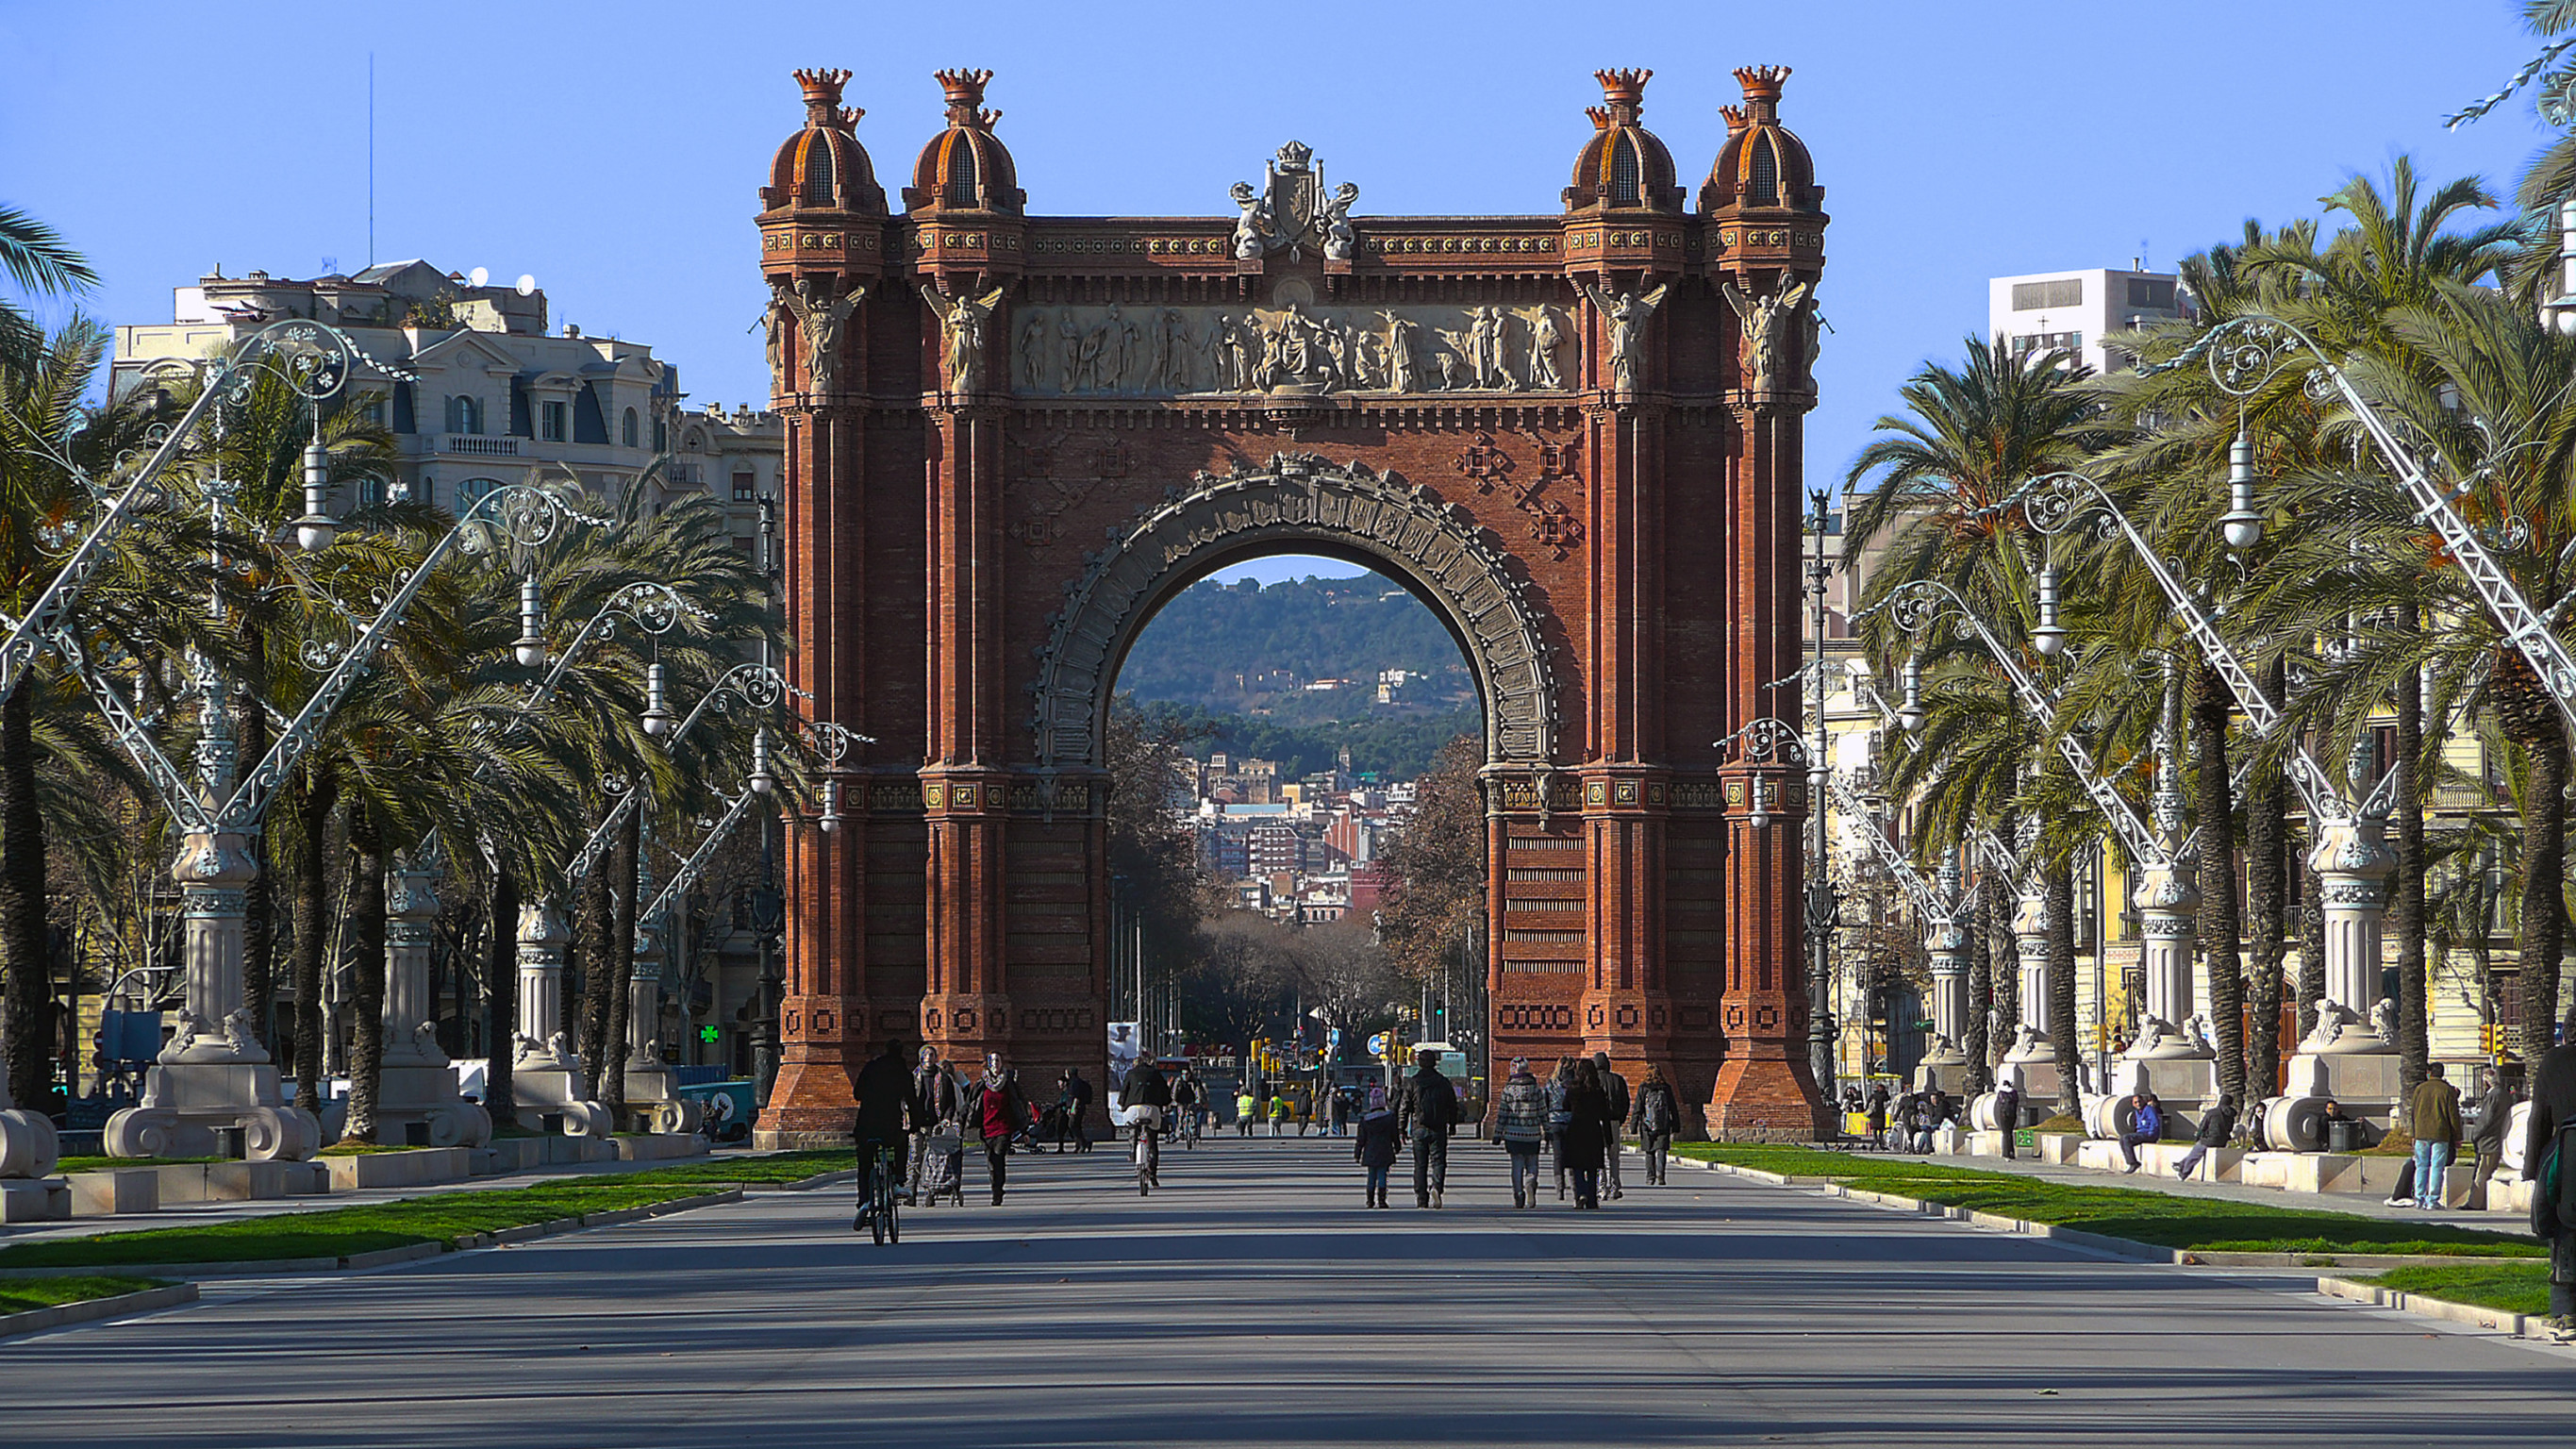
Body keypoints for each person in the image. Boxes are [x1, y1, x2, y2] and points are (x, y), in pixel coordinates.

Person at [2520, 1017, 2576, 1340]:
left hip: (2566, 1156)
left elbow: (2539, 1117)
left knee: (2564, 1232)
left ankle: (2567, 1314)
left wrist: (2532, 1167)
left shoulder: (2554, 1061)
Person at [851, 1039, 922, 1230]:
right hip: (890, 1126)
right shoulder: (903, 1073)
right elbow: (912, 1102)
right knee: (902, 1141)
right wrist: (915, 1125)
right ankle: (899, 1180)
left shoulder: (871, 1068)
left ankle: (864, 1201)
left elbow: (857, 1094)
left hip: (866, 1125)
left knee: (864, 1164)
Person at [1399, 1045, 1460, 1208]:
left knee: (1420, 1164)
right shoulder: (1443, 1082)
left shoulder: (1413, 1082)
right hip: (1439, 1128)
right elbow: (1452, 1105)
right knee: (1438, 1161)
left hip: (1419, 1127)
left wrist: (1401, 1128)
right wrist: (1452, 1125)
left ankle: (1421, 1197)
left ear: (1419, 1063)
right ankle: (1436, 1187)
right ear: (1434, 1063)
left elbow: (1404, 1106)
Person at [972, 1053, 1031, 1207]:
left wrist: (1024, 1130)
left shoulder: (1008, 1083)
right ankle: (995, 1185)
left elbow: (1019, 1105)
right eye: (991, 1061)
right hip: (987, 1128)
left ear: (1001, 1063)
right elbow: (971, 1104)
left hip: (1003, 1128)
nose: (995, 1064)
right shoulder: (982, 1083)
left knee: (998, 1158)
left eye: (997, 1061)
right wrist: (961, 1122)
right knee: (991, 1161)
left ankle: (997, 1190)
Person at [2404, 1061, 2464, 1211]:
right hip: (2440, 1134)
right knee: (2437, 1167)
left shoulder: (2420, 1089)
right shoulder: (2447, 1090)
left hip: (2421, 1133)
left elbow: (2413, 1112)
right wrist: (2457, 1136)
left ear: (2429, 1072)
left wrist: (2414, 1133)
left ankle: (2419, 1198)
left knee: (2421, 1166)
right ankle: (2432, 1200)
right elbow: (2453, 1115)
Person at [1558, 1058, 1613, 1208]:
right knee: (1592, 1167)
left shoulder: (1573, 1089)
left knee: (1577, 1166)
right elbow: (1605, 1114)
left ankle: (1581, 1193)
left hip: (1576, 1129)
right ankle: (1592, 1199)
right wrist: (1609, 1138)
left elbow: (1565, 1106)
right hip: (1593, 1130)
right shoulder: (1598, 1091)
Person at [2468, 1067, 2518, 1211]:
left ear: (2487, 1081)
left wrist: (2475, 1135)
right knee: (2488, 1171)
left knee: (2482, 1172)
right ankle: (2481, 1202)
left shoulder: (2493, 1096)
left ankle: (2475, 1203)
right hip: (2496, 1138)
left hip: (2488, 1140)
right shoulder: (2504, 1095)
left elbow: (2486, 1120)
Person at [1123, 1053, 1172, 1188]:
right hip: (1152, 1109)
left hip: (1133, 1109)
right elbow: (1166, 1094)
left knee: (1131, 1124)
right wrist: (1164, 1104)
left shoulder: (1130, 1074)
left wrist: (1123, 1105)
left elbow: (1124, 1092)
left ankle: (1133, 1148)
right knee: (1152, 1142)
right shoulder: (1155, 1073)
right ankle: (1153, 1174)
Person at [1630, 1063, 1681, 1186]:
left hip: (1647, 1125)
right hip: (1663, 1124)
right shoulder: (1666, 1088)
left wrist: (1633, 1125)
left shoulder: (1643, 1088)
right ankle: (1661, 1174)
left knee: (1649, 1151)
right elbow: (1673, 1107)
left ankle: (1650, 1176)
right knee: (1661, 1150)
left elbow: (1638, 1108)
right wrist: (1676, 1124)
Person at [1354, 1083, 1400, 1208]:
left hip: (1370, 1151)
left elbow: (1361, 1139)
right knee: (1382, 1175)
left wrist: (1357, 1153)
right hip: (1385, 1150)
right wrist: (1397, 1147)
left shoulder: (1365, 1121)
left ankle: (1370, 1200)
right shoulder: (1389, 1118)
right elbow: (1394, 1135)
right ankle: (1382, 1200)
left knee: (1371, 1175)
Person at [1593, 1052, 1631, 1200]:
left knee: (1598, 1156)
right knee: (1614, 1156)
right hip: (1614, 1120)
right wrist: (1621, 1119)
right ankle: (1615, 1186)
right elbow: (1625, 1102)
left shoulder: (1593, 1080)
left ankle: (1601, 1188)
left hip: (1597, 1122)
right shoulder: (1617, 1080)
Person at [2173, 1092, 2236, 1180]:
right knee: (2196, 1151)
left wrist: (2198, 1137)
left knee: (2196, 1153)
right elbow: (2230, 1128)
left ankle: (2184, 1173)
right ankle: (2181, 1164)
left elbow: (2203, 1126)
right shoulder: (2231, 1115)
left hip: (2210, 1140)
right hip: (2223, 1141)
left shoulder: (2212, 1112)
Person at [1547, 1058, 1576, 1200]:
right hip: (1571, 1121)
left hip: (1554, 1120)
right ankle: (1575, 1187)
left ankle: (1560, 1188)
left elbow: (1546, 1101)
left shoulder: (1552, 1083)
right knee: (1573, 1157)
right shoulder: (1575, 1083)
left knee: (1558, 1157)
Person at [2119, 1091, 2161, 1174]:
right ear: (2133, 1104)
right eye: (2136, 1102)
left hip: (2149, 1134)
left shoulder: (2149, 1109)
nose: (2138, 1104)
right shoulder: (2137, 1112)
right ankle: (2130, 1161)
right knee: (2122, 1139)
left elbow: (2155, 1122)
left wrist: (2151, 1133)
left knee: (2127, 1138)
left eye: (2139, 1101)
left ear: (2143, 1101)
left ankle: (2133, 1163)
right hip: (2141, 1133)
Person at [1991, 1078, 2019, 1160]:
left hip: (2004, 1115)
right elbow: (2016, 1103)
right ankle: (2011, 1152)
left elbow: (2000, 1104)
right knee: (2010, 1133)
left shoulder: (2001, 1093)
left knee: (2005, 1134)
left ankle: (2005, 1152)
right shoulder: (2014, 1093)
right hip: (2012, 1114)